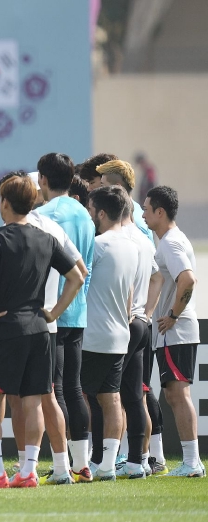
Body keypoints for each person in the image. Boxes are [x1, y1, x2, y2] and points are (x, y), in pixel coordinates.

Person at [0, 174, 82, 489]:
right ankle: (29, 471)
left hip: (8, 327)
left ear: (4, 203)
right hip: (40, 330)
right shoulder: (46, 238)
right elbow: (76, 276)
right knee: (33, 402)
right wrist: (54, 312)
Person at [36, 153, 95, 479]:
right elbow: (86, 268)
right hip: (79, 309)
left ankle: (63, 463)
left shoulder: (45, 215)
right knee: (73, 388)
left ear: (42, 179)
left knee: (54, 390)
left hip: (52, 312)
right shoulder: (85, 213)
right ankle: (80, 462)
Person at [142, 185, 204, 477]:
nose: (143, 214)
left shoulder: (170, 243)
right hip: (174, 331)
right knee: (174, 394)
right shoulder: (170, 240)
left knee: (178, 395)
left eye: (146, 209)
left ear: (160, 212)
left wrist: (173, 315)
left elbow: (188, 279)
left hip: (176, 331)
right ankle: (191, 461)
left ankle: (192, 462)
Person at [81, 186, 139, 482]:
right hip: (119, 334)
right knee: (111, 398)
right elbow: (129, 293)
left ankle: (79, 461)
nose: (89, 215)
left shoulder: (98, 245)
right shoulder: (132, 246)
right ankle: (106, 465)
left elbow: (78, 281)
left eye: (91, 210)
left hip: (94, 334)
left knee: (78, 395)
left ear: (101, 213)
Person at [114, 185, 158, 479]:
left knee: (111, 393)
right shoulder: (144, 239)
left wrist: (128, 311)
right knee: (134, 395)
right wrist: (147, 313)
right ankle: (137, 460)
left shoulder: (121, 239)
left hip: (125, 323)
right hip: (142, 322)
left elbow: (127, 281)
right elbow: (157, 278)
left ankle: (116, 458)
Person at [96, 159, 155, 243]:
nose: (99, 190)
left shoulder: (135, 222)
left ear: (117, 188)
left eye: (103, 186)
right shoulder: (125, 214)